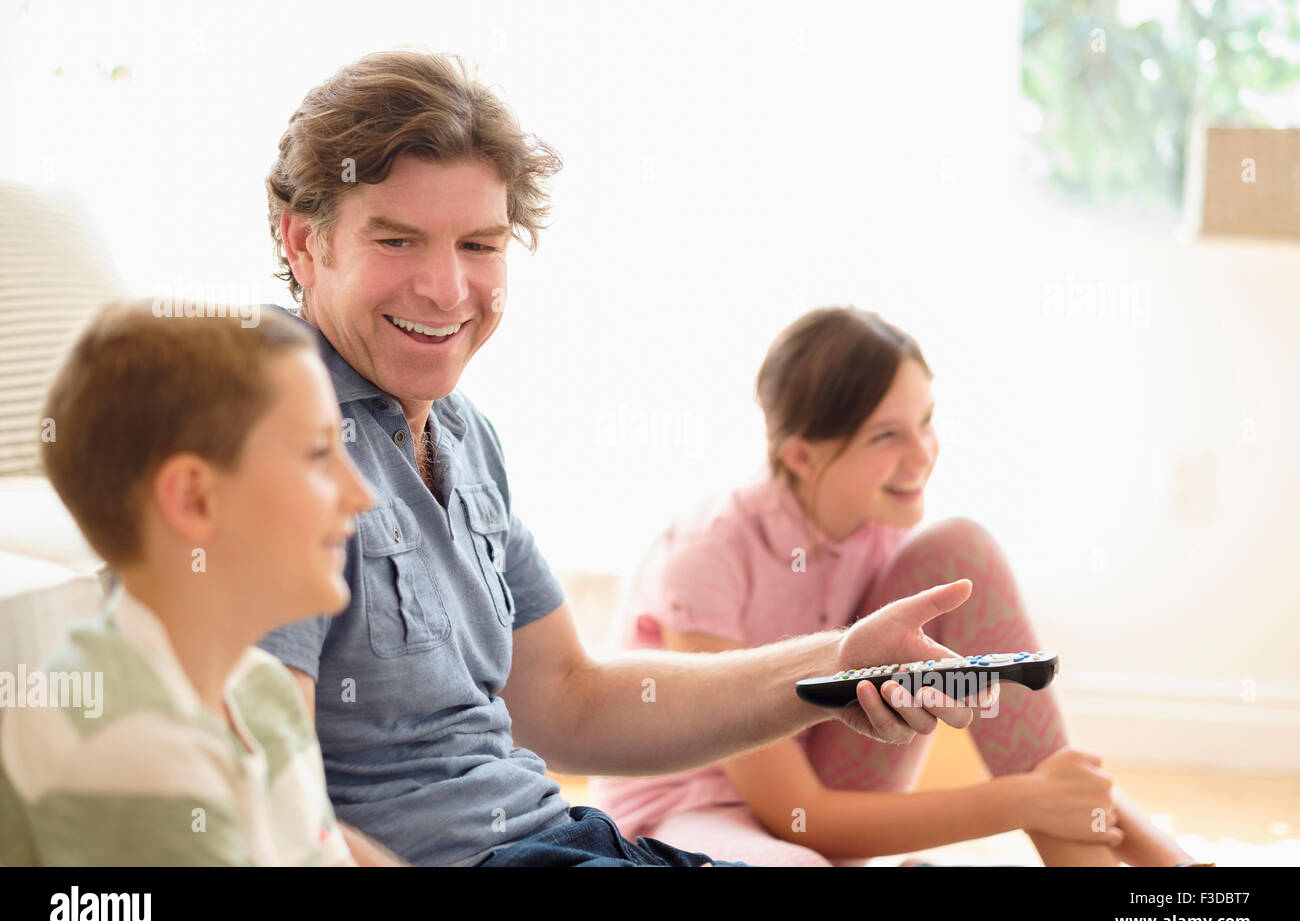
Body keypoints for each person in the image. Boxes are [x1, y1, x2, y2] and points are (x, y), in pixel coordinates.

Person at [255, 50, 988, 867]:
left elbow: (570, 701)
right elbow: (256, 777)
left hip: (560, 838)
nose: (446, 287)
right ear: (304, 242)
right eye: (397, 240)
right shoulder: (265, 428)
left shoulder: (463, 433)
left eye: (479, 244)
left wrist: (838, 661)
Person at [590, 306, 1199, 866]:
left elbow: (1052, 777)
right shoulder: (708, 553)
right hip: (692, 812)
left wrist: (1170, 863)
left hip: (825, 791)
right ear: (801, 456)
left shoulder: (880, 525)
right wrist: (1023, 801)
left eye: (926, 421)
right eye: (887, 436)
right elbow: (796, 817)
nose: (923, 454)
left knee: (962, 548)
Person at [0, 301, 401, 865]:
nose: (363, 495)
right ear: (193, 498)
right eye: (317, 454)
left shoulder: (261, 692)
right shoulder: (130, 752)